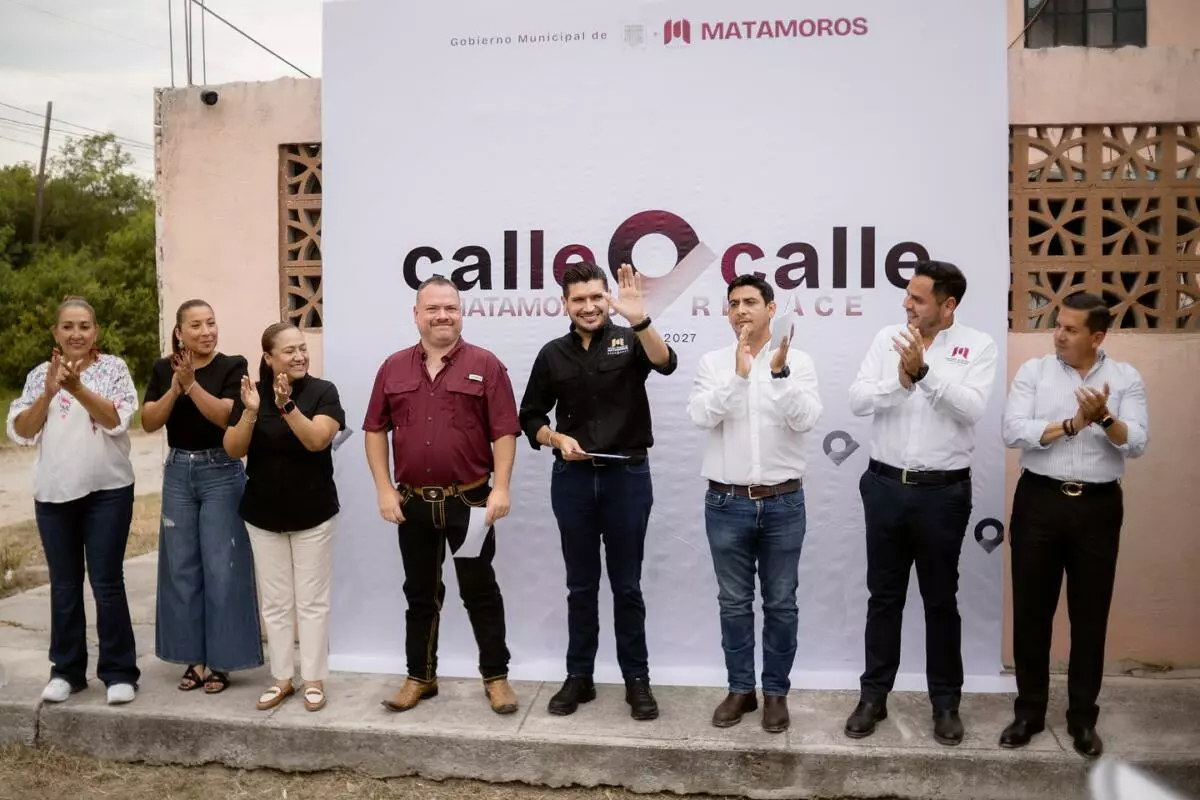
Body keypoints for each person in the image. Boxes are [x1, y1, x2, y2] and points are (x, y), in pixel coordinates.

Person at [844, 260, 998, 745]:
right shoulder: (887, 337)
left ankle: (946, 704)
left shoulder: (979, 345)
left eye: (917, 298)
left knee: (940, 600)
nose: (907, 304)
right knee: (883, 598)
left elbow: (972, 408)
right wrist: (902, 380)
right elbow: (858, 400)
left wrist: (925, 374)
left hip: (942, 494)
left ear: (948, 305)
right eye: (907, 294)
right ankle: (873, 697)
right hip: (885, 486)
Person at [519, 262, 678, 721]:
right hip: (572, 481)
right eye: (579, 300)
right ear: (564, 304)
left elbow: (666, 363)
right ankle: (579, 676)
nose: (588, 307)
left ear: (608, 298)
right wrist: (555, 438)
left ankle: (637, 680)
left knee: (627, 586)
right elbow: (530, 416)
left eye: (596, 297)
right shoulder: (552, 354)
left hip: (626, 478)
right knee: (581, 585)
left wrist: (639, 318)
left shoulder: (631, 339)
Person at [363, 276, 522, 715]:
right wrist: (384, 489)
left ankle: (496, 677)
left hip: (469, 504)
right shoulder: (393, 367)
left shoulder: (486, 365)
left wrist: (501, 487)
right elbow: (374, 430)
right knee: (420, 593)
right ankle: (420, 676)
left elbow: (504, 432)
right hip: (412, 504)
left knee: (479, 591)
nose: (442, 316)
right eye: (432, 308)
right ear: (416, 315)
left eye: (450, 308)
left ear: (461, 313)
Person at [1000, 293, 1148, 758]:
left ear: (1097, 336)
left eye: (1070, 329)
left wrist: (1103, 418)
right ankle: (1029, 713)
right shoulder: (1034, 372)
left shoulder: (1125, 378)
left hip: (1098, 508)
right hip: (1039, 501)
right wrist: (1071, 424)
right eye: (1057, 325)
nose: (1058, 335)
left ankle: (1083, 718)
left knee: (1089, 616)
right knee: (1032, 613)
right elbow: (1013, 430)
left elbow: (1137, 442)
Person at [686, 274, 823, 733]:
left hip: (784, 503)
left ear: (770, 308)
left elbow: (806, 419)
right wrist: (739, 378)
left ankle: (776, 692)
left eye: (750, 302)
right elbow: (701, 416)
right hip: (727, 502)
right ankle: (741, 689)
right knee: (733, 603)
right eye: (733, 304)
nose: (741, 310)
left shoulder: (797, 361)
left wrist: (778, 375)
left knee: (781, 603)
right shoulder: (713, 362)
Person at [6, 297, 141, 705]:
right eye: (68, 326)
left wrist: (76, 388)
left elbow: (116, 420)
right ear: (55, 332)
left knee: (107, 582)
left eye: (84, 326)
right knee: (64, 586)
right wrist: (48, 393)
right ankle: (66, 671)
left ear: (95, 331)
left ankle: (119, 672)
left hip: (109, 492)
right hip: (54, 494)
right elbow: (23, 430)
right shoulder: (39, 375)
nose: (76, 333)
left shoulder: (114, 369)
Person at [223, 321, 345, 713]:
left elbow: (316, 440)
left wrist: (287, 406)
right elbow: (233, 449)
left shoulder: (323, 392)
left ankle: (313, 680)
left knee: (311, 602)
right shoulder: (251, 394)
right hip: (262, 514)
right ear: (269, 357)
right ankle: (281, 679)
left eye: (302, 348)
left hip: (313, 513)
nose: (299, 356)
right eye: (289, 350)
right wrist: (251, 412)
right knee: (275, 603)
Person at [142, 299, 262, 693]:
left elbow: (227, 415)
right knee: (181, 567)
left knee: (222, 568)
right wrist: (175, 388)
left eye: (211, 322)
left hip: (221, 471)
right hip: (178, 470)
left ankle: (223, 662)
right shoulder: (163, 369)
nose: (206, 331)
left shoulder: (233, 366)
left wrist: (192, 386)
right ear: (179, 332)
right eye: (196, 325)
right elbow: (149, 421)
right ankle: (192, 657)